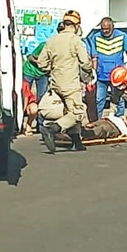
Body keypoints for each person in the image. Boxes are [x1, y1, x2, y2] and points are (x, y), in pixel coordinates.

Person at [37, 10, 93, 153]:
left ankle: (76, 142)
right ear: (76, 25)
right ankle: (53, 128)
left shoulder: (52, 40)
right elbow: (85, 62)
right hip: (70, 85)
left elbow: (41, 63)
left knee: (69, 111)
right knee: (78, 112)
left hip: (54, 84)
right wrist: (88, 70)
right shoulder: (75, 40)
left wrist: (52, 68)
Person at [87, 17, 127, 119]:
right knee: (99, 100)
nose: (105, 31)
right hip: (101, 76)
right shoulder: (95, 37)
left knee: (119, 100)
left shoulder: (122, 36)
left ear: (112, 27)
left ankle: (120, 121)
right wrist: (92, 72)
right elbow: (92, 56)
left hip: (118, 76)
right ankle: (98, 122)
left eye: (107, 29)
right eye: (102, 29)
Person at [22, 39, 49, 132]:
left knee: (42, 98)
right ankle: (22, 122)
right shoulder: (44, 45)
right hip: (29, 71)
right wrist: (38, 62)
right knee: (24, 97)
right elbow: (30, 57)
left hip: (43, 74)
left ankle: (40, 124)